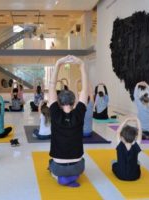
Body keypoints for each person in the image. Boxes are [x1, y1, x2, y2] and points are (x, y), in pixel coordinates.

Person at [48, 55, 88, 187]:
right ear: (74, 101)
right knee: (79, 163)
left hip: (58, 167)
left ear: (58, 102)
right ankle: (72, 176)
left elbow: (52, 86)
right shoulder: (79, 113)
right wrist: (81, 65)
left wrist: (58, 64)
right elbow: (85, 89)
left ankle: (60, 177)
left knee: (51, 164)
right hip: (78, 167)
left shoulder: (54, 112)